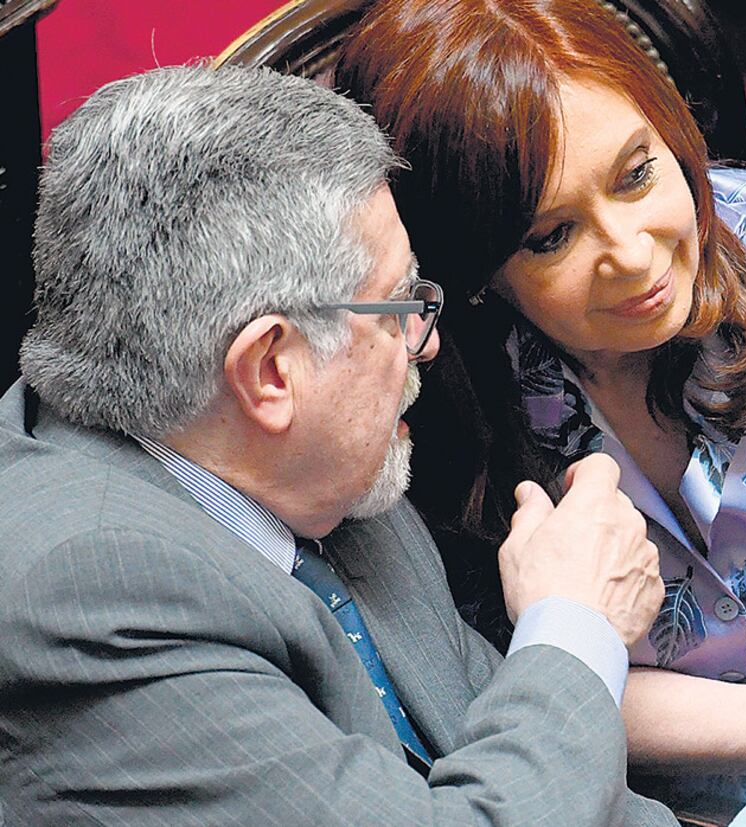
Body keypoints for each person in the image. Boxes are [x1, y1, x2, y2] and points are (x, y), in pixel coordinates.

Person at [336, 0, 746, 783]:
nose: (631, 254)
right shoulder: (421, 413)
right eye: (551, 236)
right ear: (476, 265)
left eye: (636, 174)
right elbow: (476, 682)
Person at [0, 64, 677, 826]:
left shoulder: (299, 462)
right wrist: (576, 618)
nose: (423, 344)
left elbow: (523, 758)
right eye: (397, 306)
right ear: (271, 369)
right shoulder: (91, 599)